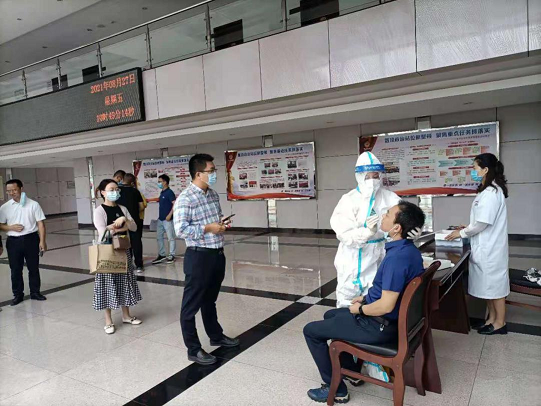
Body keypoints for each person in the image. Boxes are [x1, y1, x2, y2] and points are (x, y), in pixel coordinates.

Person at [304, 201, 426, 404]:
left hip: (379, 325)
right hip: (392, 321)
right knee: (330, 314)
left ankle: (336, 389)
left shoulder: (396, 259)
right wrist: (367, 297)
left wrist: (360, 309)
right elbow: (391, 291)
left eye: (388, 214)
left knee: (311, 331)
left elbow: (386, 305)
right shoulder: (409, 251)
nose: (383, 216)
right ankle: (350, 371)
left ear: (397, 228)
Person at [330, 152, 419, 382]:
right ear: (359, 176)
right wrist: (366, 233)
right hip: (351, 261)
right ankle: (348, 365)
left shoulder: (390, 198)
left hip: (378, 259)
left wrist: (414, 230)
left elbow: (406, 220)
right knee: (346, 305)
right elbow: (343, 234)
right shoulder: (348, 200)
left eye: (376, 175)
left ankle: (372, 360)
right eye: (368, 175)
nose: (372, 180)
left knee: (374, 308)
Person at [174, 154, 239, 365]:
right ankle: (193, 349)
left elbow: (215, 219)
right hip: (198, 256)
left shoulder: (212, 194)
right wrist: (208, 228)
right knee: (190, 306)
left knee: (209, 300)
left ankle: (215, 335)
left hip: (217, 254)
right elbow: (180, 229)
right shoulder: (186, 198)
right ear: (198, 174)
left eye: (214, 171)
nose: (214, 174)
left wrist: (221, 224)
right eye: (211, 171)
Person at [445, 153, 509, 335]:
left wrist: (462, 232)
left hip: (491, 248)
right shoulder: (488, 191)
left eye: (475, 168)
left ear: (485, 170)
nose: (473, 171)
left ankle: (500, 323)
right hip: (485, 245)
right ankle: (491, 319)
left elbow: (482, 223)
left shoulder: (491, 193)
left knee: (495, 287)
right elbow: (481, 220)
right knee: (488, 287)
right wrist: (468, 227)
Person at [94, 179, 143, 334]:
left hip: (123, 249)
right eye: (111, 189)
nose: (115, 192)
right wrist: (118, 227)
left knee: (125, 281)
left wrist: (125, 220)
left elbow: (134, 227)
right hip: (107, 251)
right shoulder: (99, 211)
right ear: (103, 192)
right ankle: (108, 320)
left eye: (116, 189)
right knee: (108, 283)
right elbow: (102, 233)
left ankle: (126, 315)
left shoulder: (122, 208)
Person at [0, 179, 47, 306]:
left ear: (21, 188)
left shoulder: (33, 204)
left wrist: (42, 241)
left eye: (14, 190)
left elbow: (41, 224)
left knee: (33, 268)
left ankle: (35, 292)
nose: (12, 193)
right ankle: (18, 295)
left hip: (31, 239)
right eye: (9, 191)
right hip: (13, 242)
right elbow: (0, 225)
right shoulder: (4, 207)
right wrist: (11, 227)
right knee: (15, 269)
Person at [115, 171, 145, 273]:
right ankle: (139, 265)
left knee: (123, 242)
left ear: (123, 180)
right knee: (136, 242)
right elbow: (141, 206)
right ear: (132, 183)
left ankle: (127, 264)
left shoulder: (117, 191)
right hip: (134, 221)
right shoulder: (135, 191)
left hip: (120, 221)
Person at [152, 174, 176, 264]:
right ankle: (162, 254)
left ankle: (172, 255)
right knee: (159, 237)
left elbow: (175, 204)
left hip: (168, 220)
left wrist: (169, 215)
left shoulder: (169, 192)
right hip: (160, 219)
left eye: (160, 181)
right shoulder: (162, 192)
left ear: (165, 182)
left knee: (170, 238)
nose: (158, 183)